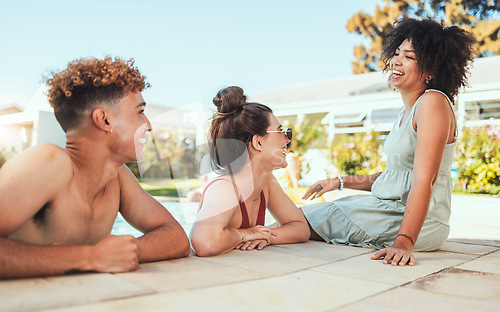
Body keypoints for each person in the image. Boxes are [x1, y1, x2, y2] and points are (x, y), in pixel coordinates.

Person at [301, 18, 476, 266]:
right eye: (396, 53)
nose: (396, 61)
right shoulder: (408, 111)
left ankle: (244, 233)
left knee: (301, 220)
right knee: (308, 215)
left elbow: (423, 179)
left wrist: (404, 241)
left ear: (432, 70)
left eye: (409, 56)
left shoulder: (432, 102)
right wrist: (339, 182)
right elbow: (396, 177)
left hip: (419, 223)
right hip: (391, 209)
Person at [0, 57, 190, 279]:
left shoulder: (117, 178)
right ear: (104, 120)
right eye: (139, 112)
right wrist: (90, 258)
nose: (148, 125)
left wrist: (128, 251)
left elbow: (177, 237)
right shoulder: (49, 162)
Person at [190, 86, 310, 257]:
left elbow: (300, 228)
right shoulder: (226, 188)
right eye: (280, 131)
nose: (287, 138)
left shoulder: (267, 182)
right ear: (258, 143)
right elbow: (204, 243)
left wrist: (266, 236)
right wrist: (246, 234)